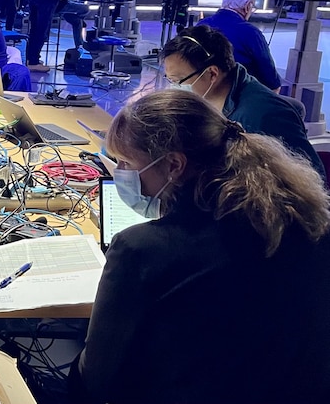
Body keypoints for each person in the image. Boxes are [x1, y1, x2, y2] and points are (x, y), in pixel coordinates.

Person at [69, 89, 330, 404]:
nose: (120, 173)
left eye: (125, 162)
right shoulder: (308, 222)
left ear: (175, 165)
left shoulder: (140, 249)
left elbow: (94, 382)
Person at [160, 25, 324, 178]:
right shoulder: (206, 102)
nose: (174, 88)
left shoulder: (263, 116)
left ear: (212, 74)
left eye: (179, 81)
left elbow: (312, 182)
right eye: (170, 80)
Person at [198, 0, 281, 91]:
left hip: (202, 92)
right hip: (237, 97)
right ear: (247, 6)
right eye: (253, 7)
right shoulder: (250, 32)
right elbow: (271, 80)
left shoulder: (200, 25)